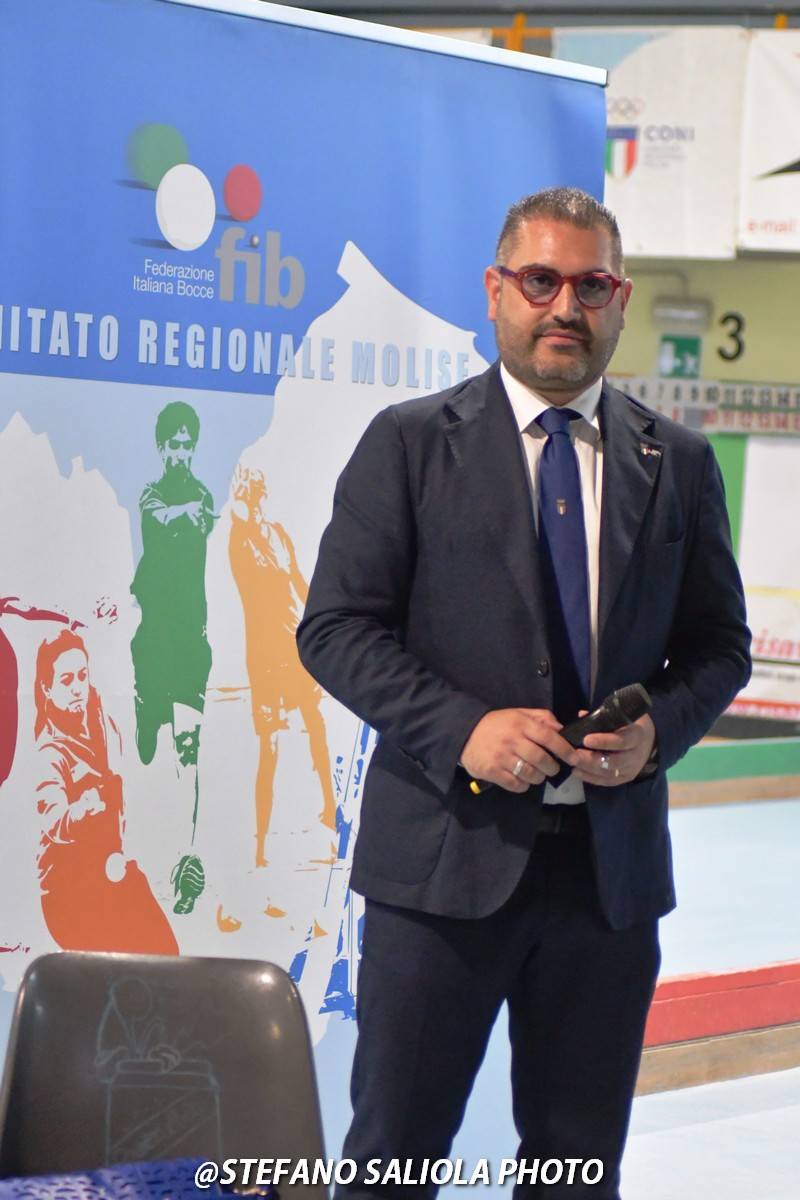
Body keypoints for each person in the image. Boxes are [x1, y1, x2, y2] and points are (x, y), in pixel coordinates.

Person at [296, 188, 751, 1199]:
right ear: (495, 291)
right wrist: (463, 729)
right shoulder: (409, 444)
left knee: (575, 1174)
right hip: (439, 875)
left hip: (607, 886)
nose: (564, 307)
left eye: (590, 286)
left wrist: (658, 733)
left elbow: (719, 646)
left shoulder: (675, 463)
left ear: (620, 300)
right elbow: (334, 629)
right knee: (389, 1166)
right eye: (540, 281)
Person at [34, 628, 178, 954]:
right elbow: (54, 821)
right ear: (46, 688)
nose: (77, 688)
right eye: (66, 680)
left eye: (82, 676)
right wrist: (83, 807)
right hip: (69, 892)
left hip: (112, 871)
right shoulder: (50, 752)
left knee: (166, 953)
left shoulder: (105, 727)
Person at [229, 467, 336, 869]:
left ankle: (331, 816)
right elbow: (249, 578)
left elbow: (298, 580)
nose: (256, 502)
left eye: (259, 494)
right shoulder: (240, 539)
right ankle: (261, 845)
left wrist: (325, 620)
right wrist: (242, 517)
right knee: (269, 747)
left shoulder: (277, 533)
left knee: (316, 729)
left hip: (296, 647)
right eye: (249, 496)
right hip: (264, 655)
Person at [131, 401, 214, 914]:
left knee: (188, 748)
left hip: (190, 645)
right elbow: (159, 521)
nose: (181, 453)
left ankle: (185, 861)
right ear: (161, 447)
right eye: (174, 445)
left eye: (188, 445)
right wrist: (187, 515)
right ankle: (146, 855)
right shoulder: (151, 496)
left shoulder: (202, 495)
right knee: (149, 751)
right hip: (152, 644)